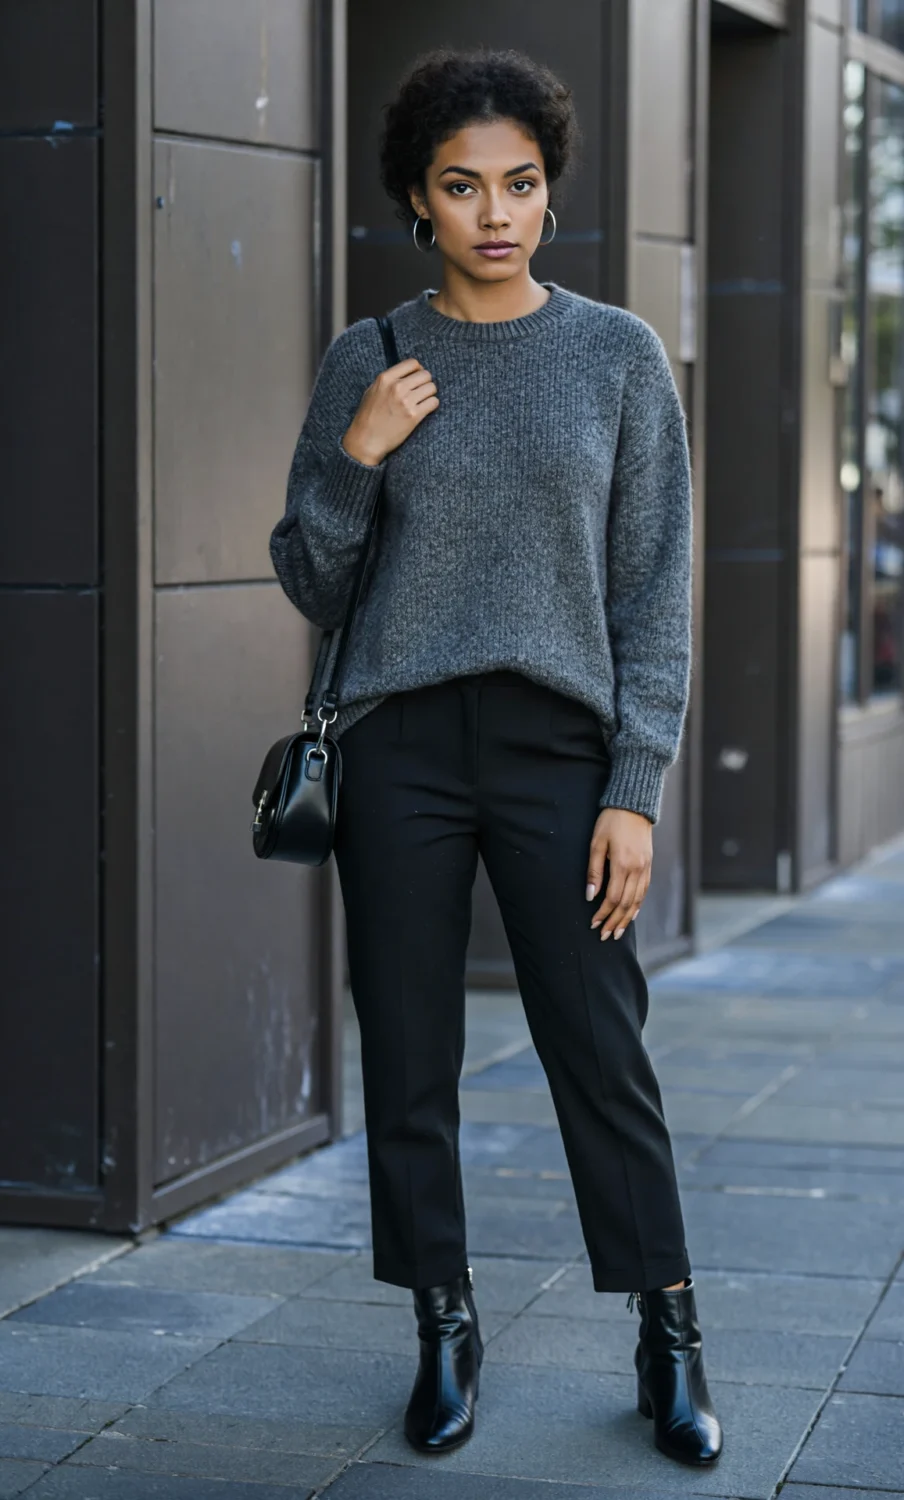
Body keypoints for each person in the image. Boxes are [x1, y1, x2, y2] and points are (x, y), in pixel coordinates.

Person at [270, 48, 722, 1469]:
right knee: (409, 1054)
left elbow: (655, 590)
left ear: (548, 189)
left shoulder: (617, 356)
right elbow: (313, 581)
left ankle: (668, 1333)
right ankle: (443, 1329)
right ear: (418, 198)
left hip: (557, 750)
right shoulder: (371, 356)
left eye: (518, 184)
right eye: (462, 187)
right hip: (400, 747)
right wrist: (359, 452)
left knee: (600, 1046)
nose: (495, 213)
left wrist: (635, 790)